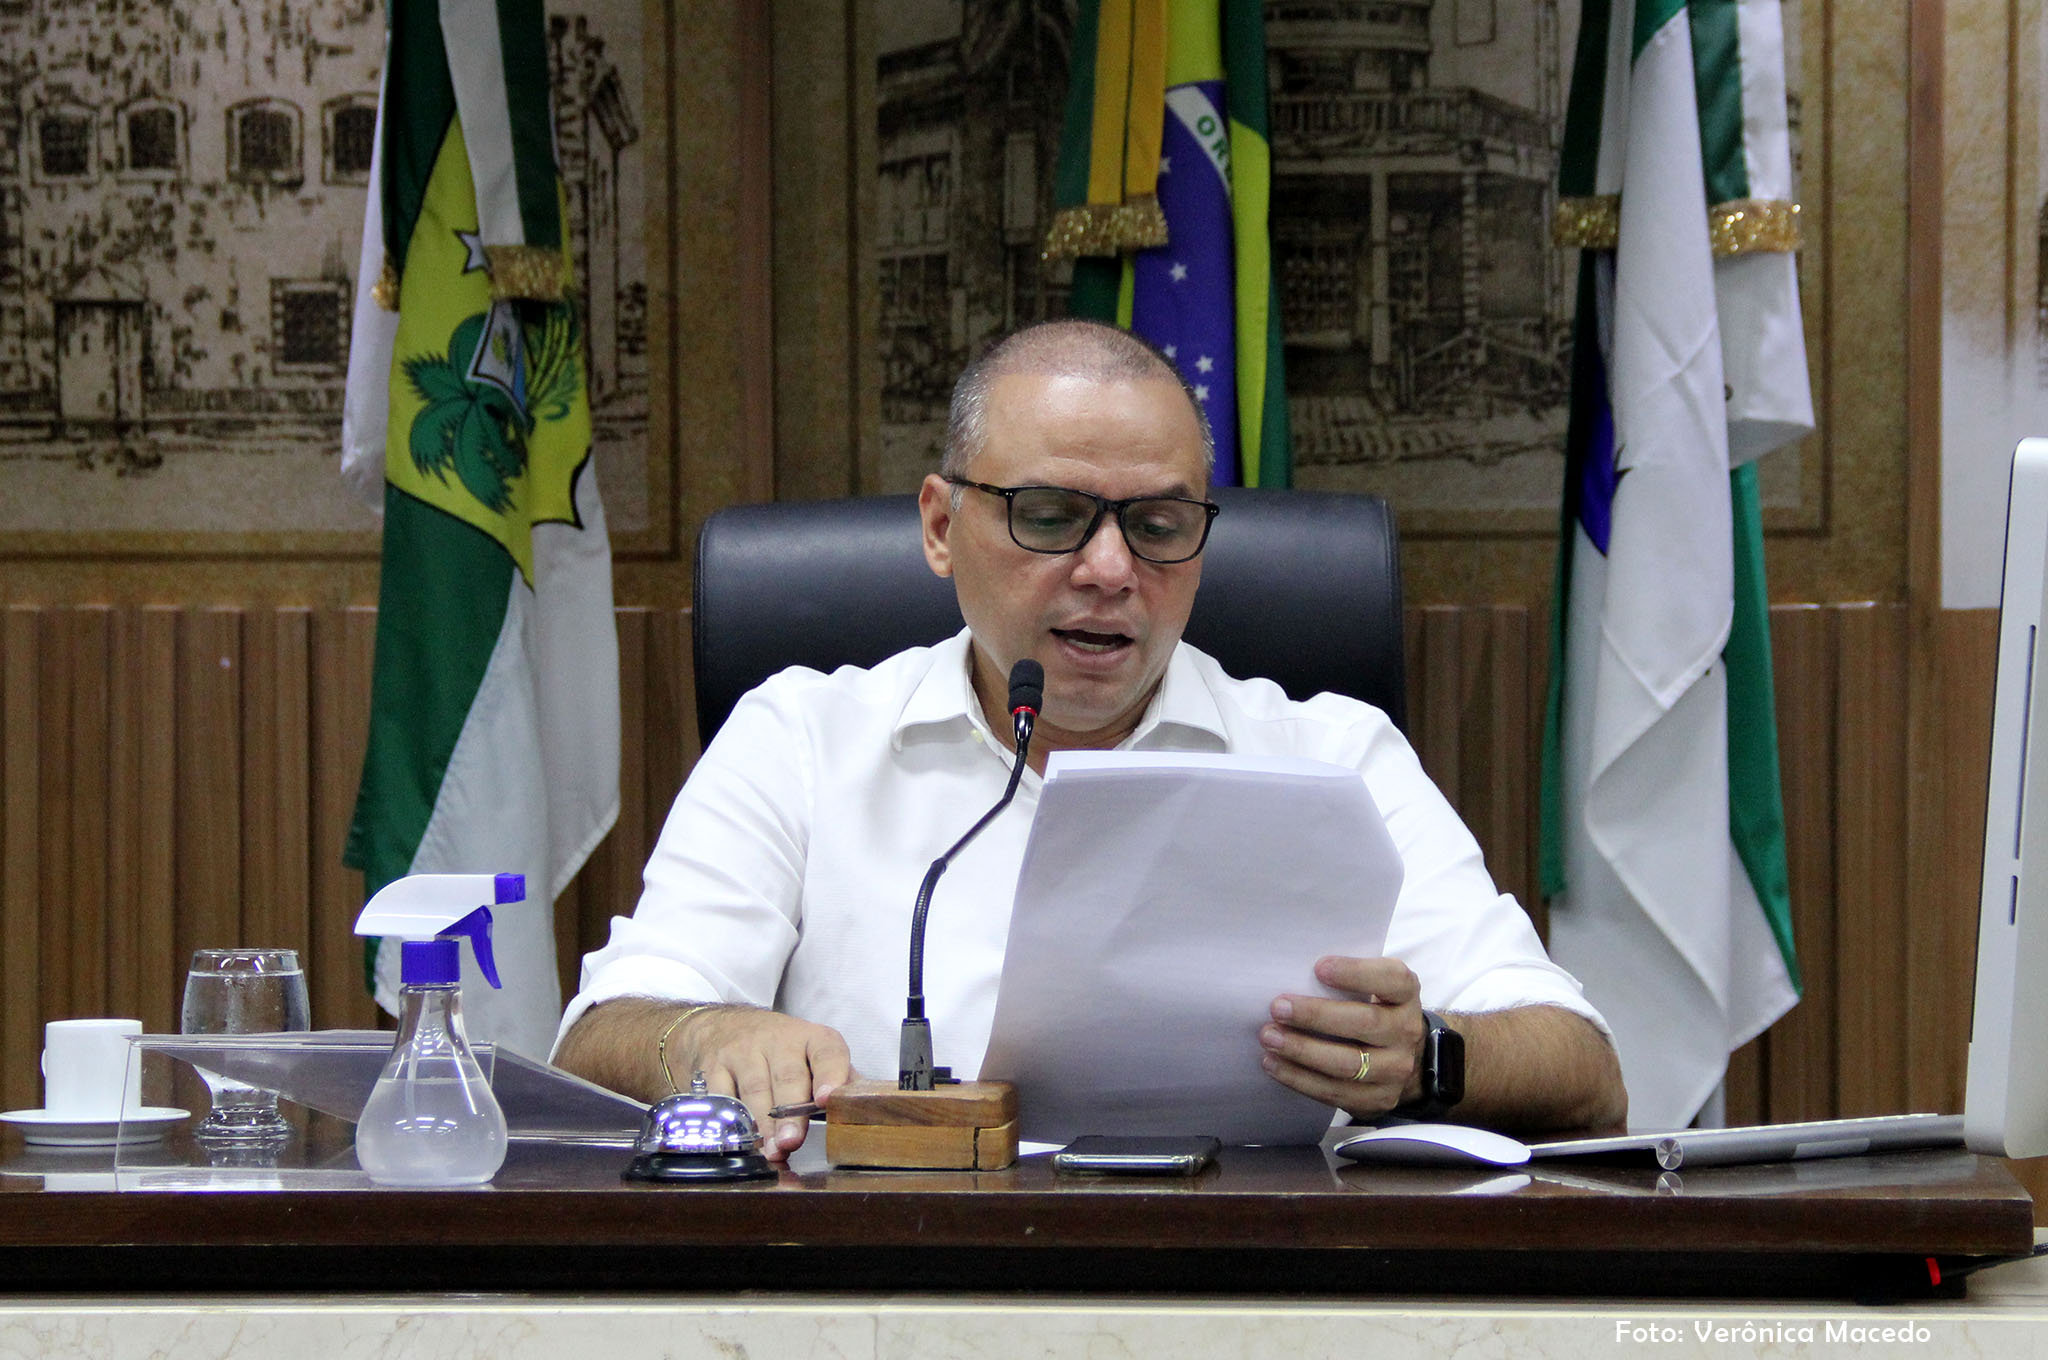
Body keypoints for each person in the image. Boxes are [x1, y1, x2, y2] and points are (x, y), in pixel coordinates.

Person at [554, 319, 1627, 1158]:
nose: (1110, 570)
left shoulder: (1332, 757)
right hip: (888, 1289)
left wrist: (1428, 1058)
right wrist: (704, 1039)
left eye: (1158, 526)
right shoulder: (802, 737)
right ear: (940, 526)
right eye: (1051, 515)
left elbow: (1581, 1066)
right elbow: (596, 1039)